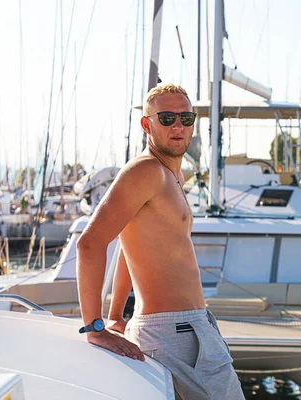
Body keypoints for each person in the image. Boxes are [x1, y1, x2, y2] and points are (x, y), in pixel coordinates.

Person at [76, 83, 244, 399]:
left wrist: (115, 314)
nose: (178, 126)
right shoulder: (146, 171)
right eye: (166, 118)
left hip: (184, 329)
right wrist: (95, 327)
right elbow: (89, 243)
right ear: (147, 124)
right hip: (175, 332)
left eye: (186, 117)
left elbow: (130, 244)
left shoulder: (172, 175)